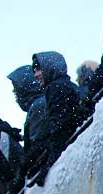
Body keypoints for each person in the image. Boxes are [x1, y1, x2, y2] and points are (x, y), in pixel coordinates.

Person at [29, 51, 82, 186]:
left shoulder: (55, 88)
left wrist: (49, 164)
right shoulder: (64, 85)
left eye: (39, 69)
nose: (36, 75)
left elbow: (60, 128)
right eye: (34, 70)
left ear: (50, 66)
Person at [7, 65, 47, 174]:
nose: (15, 94)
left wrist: (23, 171)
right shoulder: (39, 104)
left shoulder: (38, 106)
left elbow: (37, 146)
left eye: (16, 89)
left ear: (24, 87)